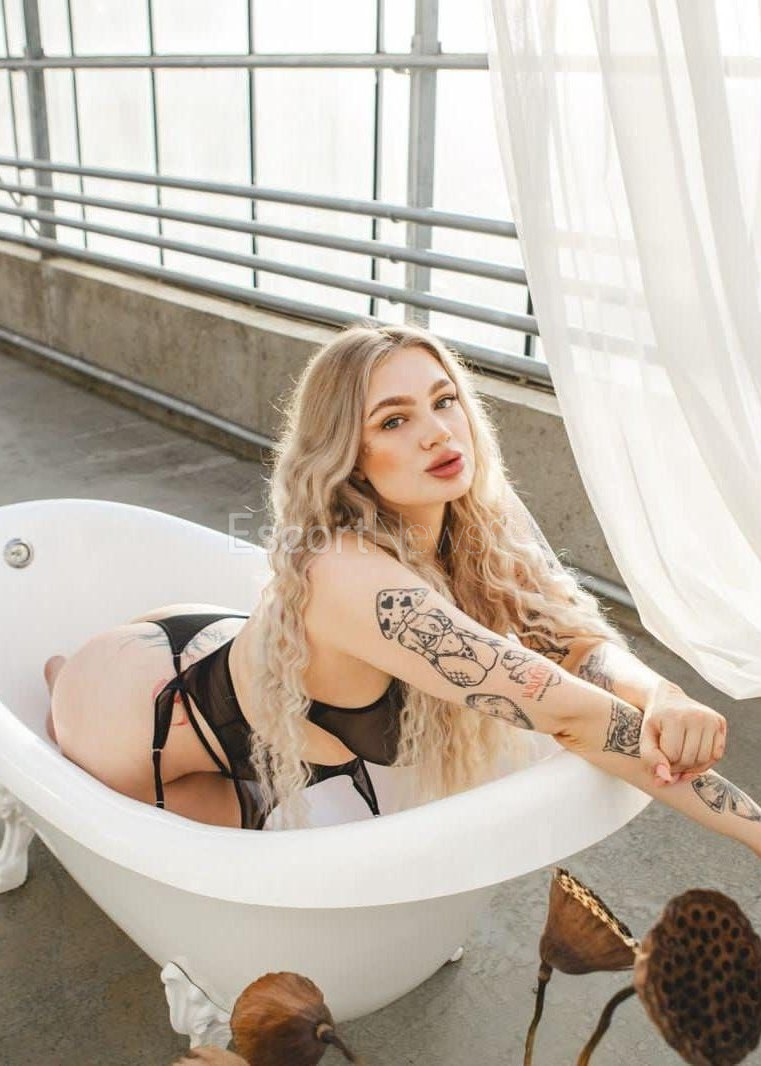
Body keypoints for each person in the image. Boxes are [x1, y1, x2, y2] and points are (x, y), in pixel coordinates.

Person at [46, 324, 761, 853]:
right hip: (141, 717)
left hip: (228, 649)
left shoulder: (474, 509)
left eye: (444, 401)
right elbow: (571, 712)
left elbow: (566, 639)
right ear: (350, 457)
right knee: (224, 852)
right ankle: (51, 700)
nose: (438, 433)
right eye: (394, 420)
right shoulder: (350, 578)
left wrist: (662, 695)